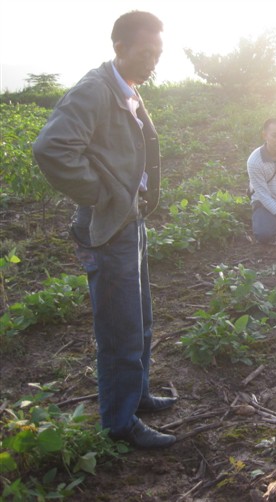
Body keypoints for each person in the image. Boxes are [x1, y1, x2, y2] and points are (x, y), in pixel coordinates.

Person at [33, 11, 176, 449]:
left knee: (141, 320)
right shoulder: (95, 90)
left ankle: (137, 395)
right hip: (108, 225)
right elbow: (51, 149)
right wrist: (102, 194)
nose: (153, 61)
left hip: (130, 223)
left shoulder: (127, 87)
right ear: (119, 48)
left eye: (158, 53)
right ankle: (119, 421)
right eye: (146, 53)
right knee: (119, 328)